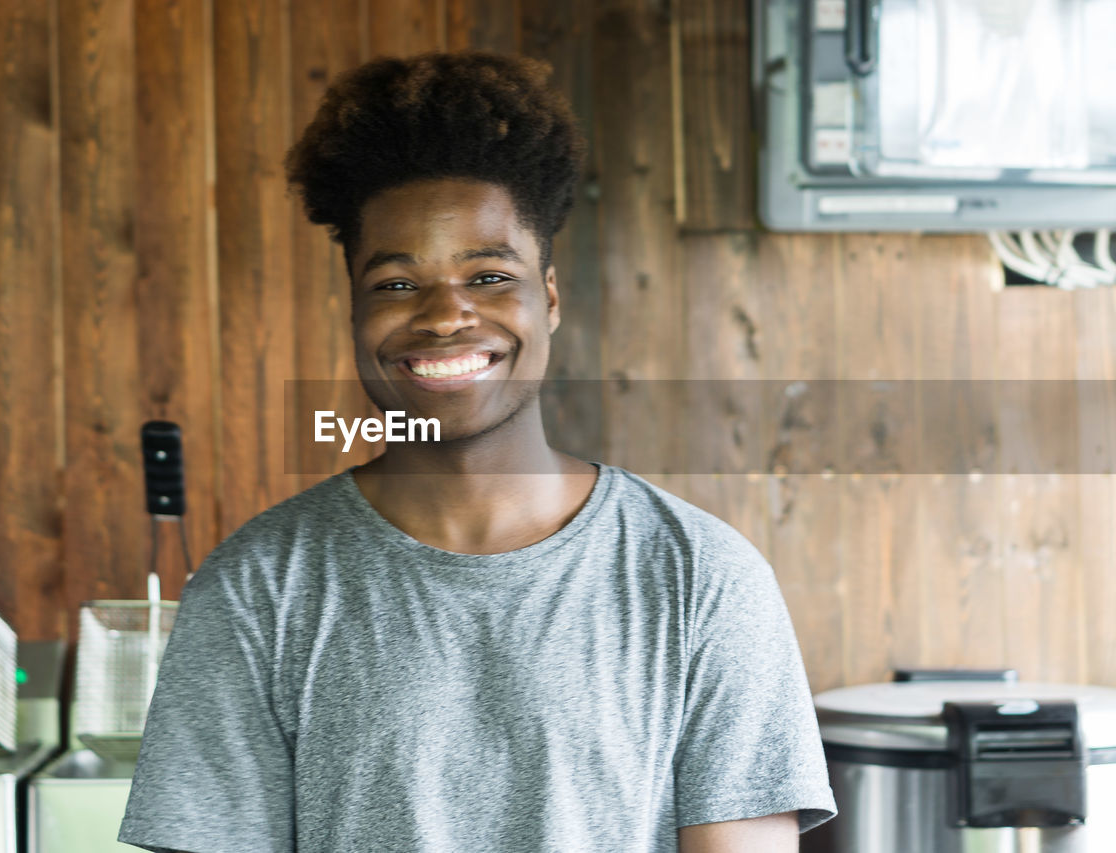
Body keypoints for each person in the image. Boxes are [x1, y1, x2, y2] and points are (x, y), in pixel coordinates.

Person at [118, 50, 836, 853]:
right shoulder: (257, 588)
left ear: (550, 298)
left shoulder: (700, 576)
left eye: (489, 275)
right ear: (354, 311)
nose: (445, 314)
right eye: (395, 284)